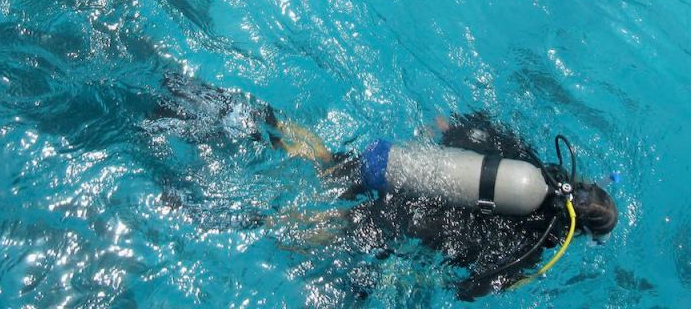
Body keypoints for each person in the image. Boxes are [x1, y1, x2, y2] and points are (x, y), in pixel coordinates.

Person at [147, 72, 619, 301]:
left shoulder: (522, 160)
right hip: (398, 224)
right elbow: (463, 289)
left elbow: (448, 123)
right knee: (298, 229)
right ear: (575, 231)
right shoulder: (528, 255)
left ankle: (232, 111)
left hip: (395, 169)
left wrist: (418, 159)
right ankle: (206, 209)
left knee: (325, 160)